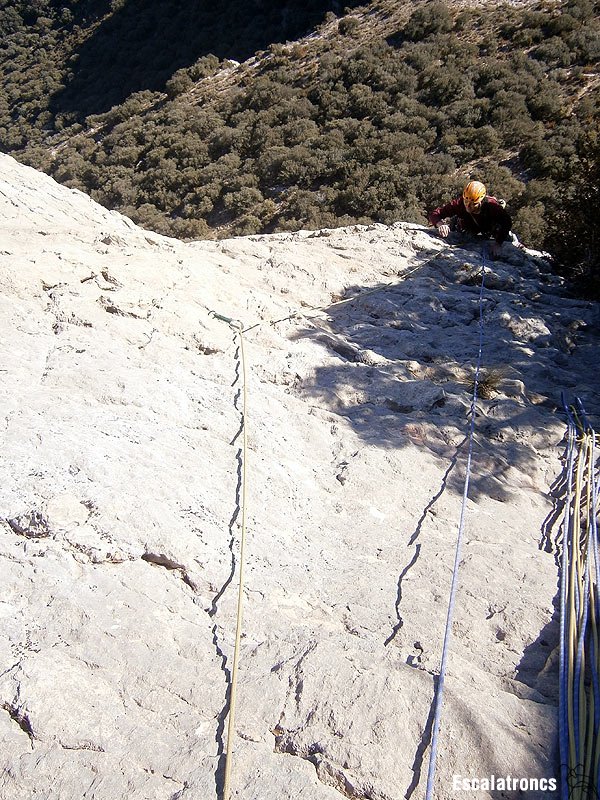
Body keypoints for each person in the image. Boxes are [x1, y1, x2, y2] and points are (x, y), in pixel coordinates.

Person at [428, 180, 513, 258]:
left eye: (473, 204)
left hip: (488, 228)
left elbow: (507, 222)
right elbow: (435, 214)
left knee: (507, 238)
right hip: (468, 228)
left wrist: (498, 243)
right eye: (466, 201)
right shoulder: (459, 203)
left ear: (481, 201)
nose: (468, 206)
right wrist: (440, 224)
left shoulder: (492, 206)